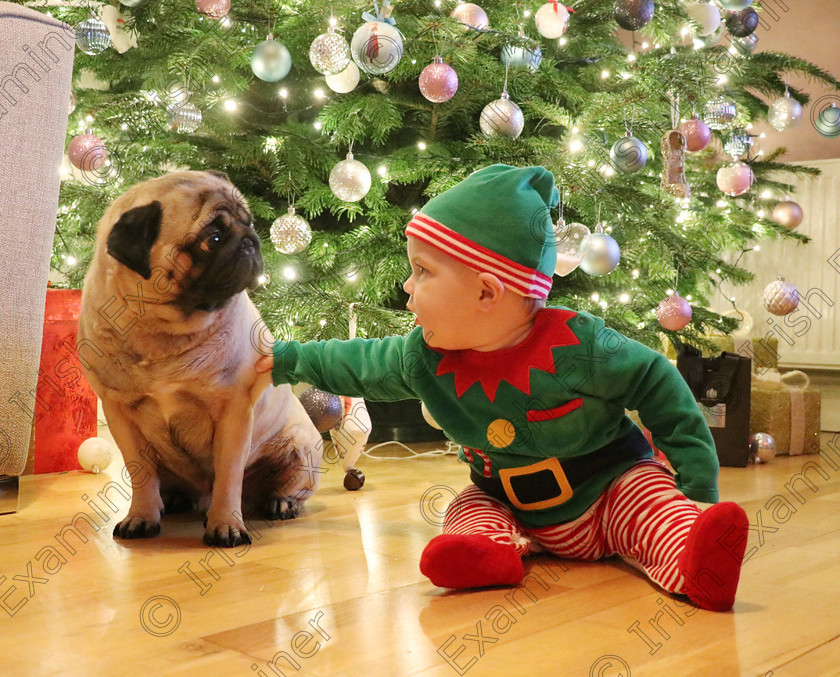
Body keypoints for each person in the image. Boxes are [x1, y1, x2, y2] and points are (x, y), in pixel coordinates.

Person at [257, 164, 748, 611]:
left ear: (487, 291)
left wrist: (697, 485)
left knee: (648, 503)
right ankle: (488, 556)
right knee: (469, 507)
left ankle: (694, 555)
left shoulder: (580, 345)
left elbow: (658, 385)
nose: (408, 286)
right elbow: (360, 363)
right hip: (507, 502)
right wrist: (287, 359)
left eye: (422, 271)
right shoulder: (424, 355)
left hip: (607, 491)